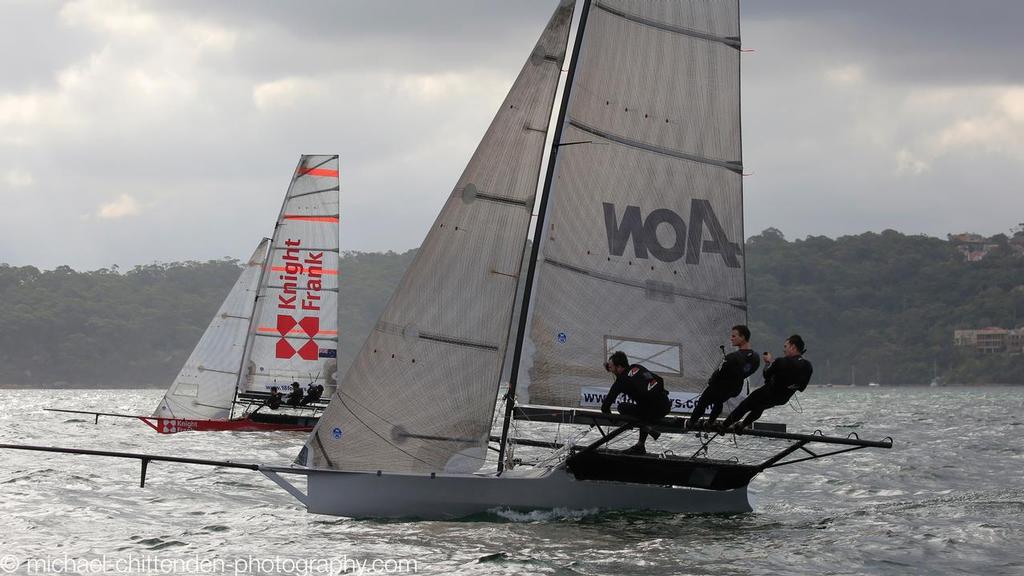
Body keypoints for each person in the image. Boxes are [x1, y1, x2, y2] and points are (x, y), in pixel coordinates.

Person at [723, 334, 813, 430]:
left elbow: (766, 375)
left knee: (745, 405)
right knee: (759, 407)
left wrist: (768, 362)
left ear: (793, 347)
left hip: (768, 393)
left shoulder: (781, 361)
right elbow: (801, 388)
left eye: (785, 346)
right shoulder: (808, 366)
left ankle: (724, 425)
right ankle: (742, 425)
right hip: (782, 399)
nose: (784, 350)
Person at [685, 325, 760, 430]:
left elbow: (719, 372)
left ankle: (691, 423)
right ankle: (710, 422)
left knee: (702, 402)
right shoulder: (756, 357)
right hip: (735, 389)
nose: (731, 338)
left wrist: (712, 380)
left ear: (742, 337)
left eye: (734, 336)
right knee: (719, 401)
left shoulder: (732, 357)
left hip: (719, 387)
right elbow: (751, 370)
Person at [600, 351, 672, 455]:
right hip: (665, 406)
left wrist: (615, 422)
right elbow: (657, 380)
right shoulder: (637, 367)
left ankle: (645, 431)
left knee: (622, 407)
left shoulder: (620, 382)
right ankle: (641, 444)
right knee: (644, 406)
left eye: (611, 367)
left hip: (651, 412)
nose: (610, 370)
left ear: (619, 367)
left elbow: (605, 407)